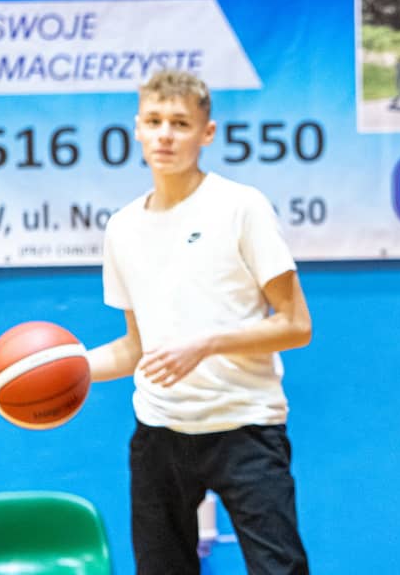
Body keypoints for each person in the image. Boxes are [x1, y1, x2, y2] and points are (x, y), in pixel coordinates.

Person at [87, 70, 312, 575]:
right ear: (137, 129)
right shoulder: (122, 228)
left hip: (246, 424)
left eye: (180, 123)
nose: (165, 135)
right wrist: (66, 368)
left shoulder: (241, 207)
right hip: (159, 430)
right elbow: (135, 348)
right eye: (154, 121)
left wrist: (206, 344)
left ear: (206, 133)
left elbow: (296, 325)